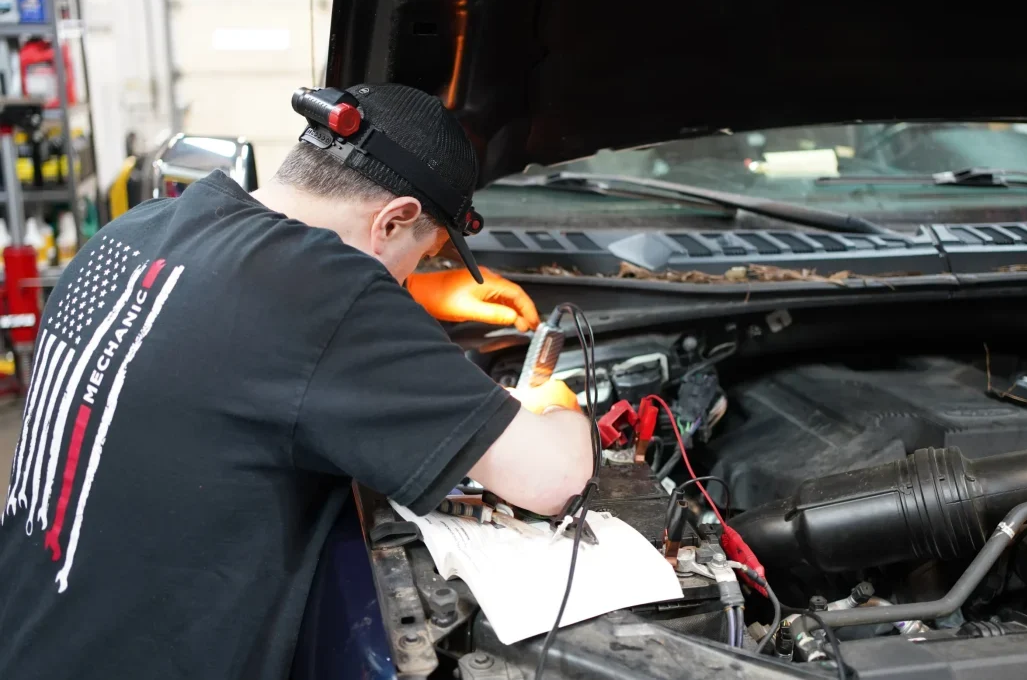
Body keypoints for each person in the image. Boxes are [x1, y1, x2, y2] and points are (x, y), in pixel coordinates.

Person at [0, 83, 593, 678]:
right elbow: (554, 479)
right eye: (427, 254)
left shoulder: (135, 230)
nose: (414, 275)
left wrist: (416, 292)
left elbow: (246, 326)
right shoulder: (325, 294)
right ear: (395, 219)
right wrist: (560, 405)